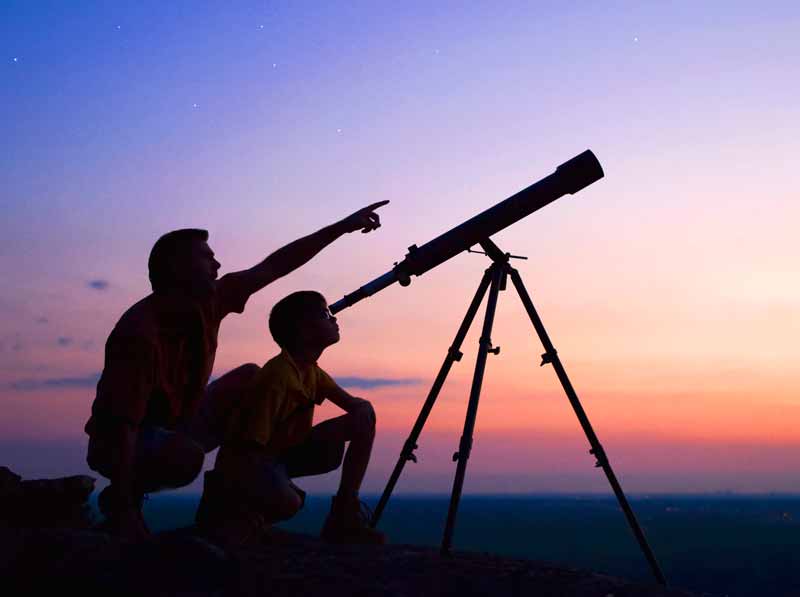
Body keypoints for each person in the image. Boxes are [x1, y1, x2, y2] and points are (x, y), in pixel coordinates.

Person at [84, 201, 389, 541]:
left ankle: (234, 496)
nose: (217, 263)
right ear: (178, 269)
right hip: (123, 441)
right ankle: (125, 501)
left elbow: (276, 265)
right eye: (206, 257)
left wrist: (341, 227)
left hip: (177, 424)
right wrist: (126, 511)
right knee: (186, 457)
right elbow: (123, 427)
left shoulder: (211, 302)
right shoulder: (140, 334)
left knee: (248, 376)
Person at [197, 290, 385, 546]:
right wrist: (271, 487)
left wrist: (364, 410)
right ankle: (234, 513)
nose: (333, 318)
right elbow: (248, 448)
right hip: (249, 461)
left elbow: (355, 407)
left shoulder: (312, 372)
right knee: (289, 502)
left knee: (364, 418)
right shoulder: (277, 377)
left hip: (281, 453)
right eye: (324, 314)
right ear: (303, 330)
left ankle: (344, 512)